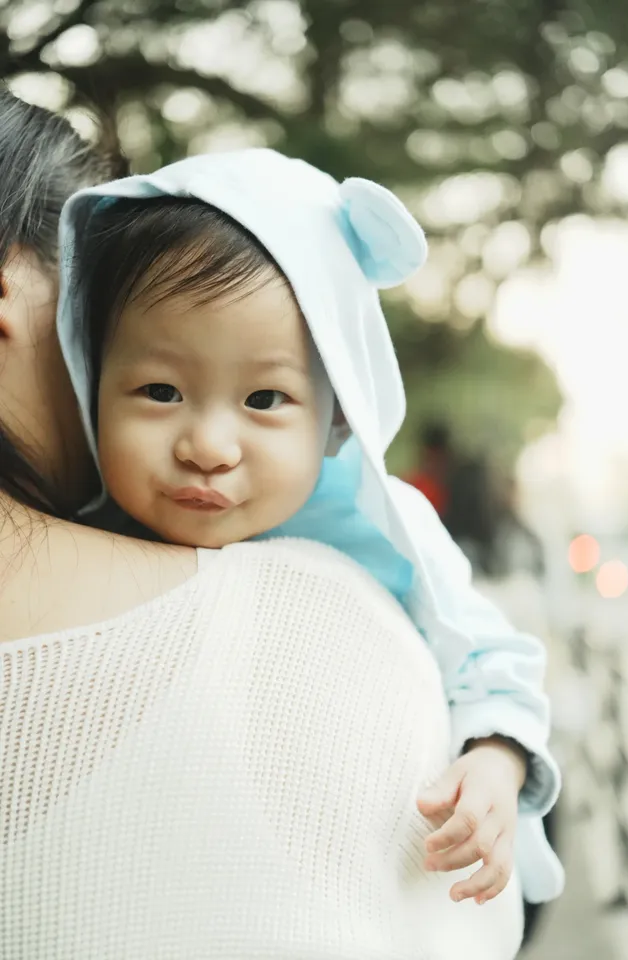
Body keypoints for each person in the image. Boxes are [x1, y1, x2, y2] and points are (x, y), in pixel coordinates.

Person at [0, 90, 531, 959]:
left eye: (265, 399)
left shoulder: (378, 548)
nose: (208, 446)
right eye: (159, 391)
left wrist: (496, 760)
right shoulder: (106, 515)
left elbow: (493, 659)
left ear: (340, 417)